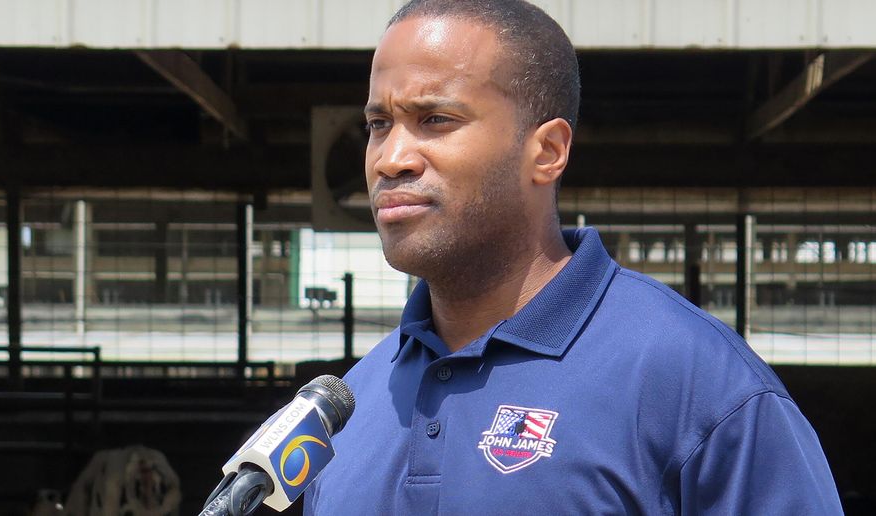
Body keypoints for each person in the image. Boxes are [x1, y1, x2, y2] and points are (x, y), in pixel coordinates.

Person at [304, 0, 843, 514]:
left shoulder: (696, 384)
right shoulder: (352, 403)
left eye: (436, 119)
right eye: (378, 125)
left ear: (548, 152)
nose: (391, 158)